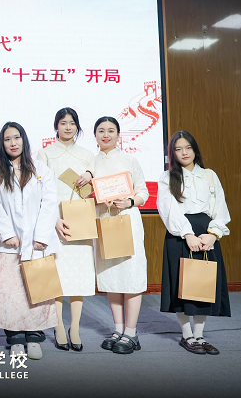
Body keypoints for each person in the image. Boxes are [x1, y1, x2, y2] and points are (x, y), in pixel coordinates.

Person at [0, 122, 60, 359]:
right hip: (8, 244)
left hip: (37, 243)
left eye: (16, 137)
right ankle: (15, 338)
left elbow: (50, 203)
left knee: (37, 291)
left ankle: (35, 337)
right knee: (9, 293)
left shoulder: (40, 169)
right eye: (7, 139)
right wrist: (7, 234)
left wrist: (41, 236)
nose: (13, 143)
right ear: (2, 143)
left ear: (24, 140)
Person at [157, 131, 230, 355]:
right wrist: (187, 234)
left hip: (206, 234)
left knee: (202, 284)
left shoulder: (209, 175)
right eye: (178, 149)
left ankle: (200, 335)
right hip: (180, 234)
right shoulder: (167, 177)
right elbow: (168, 210)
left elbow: (220, 206)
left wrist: (213, 234)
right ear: (173, 153)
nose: (184, 153)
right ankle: (187, 335)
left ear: (194, 149)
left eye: (188, 147)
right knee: (182, 286)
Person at [36, 108, 95, 352]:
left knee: (79, 276)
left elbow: (98, 186)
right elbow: (39, 190)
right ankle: (58, 325)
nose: (68, 127)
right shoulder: (45, 154)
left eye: (72, 123)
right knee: (58, 277)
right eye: (63, 123)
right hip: (55, 221)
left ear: (77, 127)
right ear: (56, 126)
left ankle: (75, 328)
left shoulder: (88, 156)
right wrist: (54, 220)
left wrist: (91, 174)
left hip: (81, 221)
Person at [92, 117, 149, 354]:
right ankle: (118, 329)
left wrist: (130, 201)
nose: (106, 135)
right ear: (95, 135)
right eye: (101, 131)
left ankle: (131, 332)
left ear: (118, 134)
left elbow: (143, 192)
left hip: (127, 221)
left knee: (131, 275)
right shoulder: (91, 163)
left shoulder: (129, 160)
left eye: (111, 130)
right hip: (104, 222)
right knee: (111, 276)